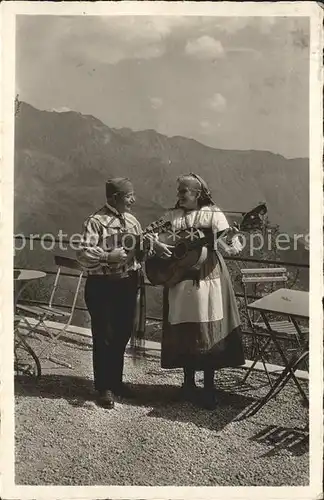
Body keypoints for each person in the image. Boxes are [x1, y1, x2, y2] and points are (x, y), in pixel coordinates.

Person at [153, 173, 245, 410]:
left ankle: (209, 389)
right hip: (180, 281)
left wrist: (232, 237)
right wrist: (157, 243)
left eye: (184, 191)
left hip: (207, 280)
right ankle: (188, 384)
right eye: (179, 191)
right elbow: (151, 234)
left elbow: (229, 247)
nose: (179, 196)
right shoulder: (172, 216)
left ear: (198, 194)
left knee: (207, 331)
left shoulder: (213, 214)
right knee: (185, 330)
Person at [76, 177, 165, 409]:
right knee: (104, 334)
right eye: (129, 196)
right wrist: (107, 257)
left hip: (128, 283)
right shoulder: (95, 221)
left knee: (123, 333)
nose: (133, 200)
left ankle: (116, 382)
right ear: (115, 198)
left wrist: (145, 246)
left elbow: (138, 255)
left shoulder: (133, 221)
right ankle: (103, 387)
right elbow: (83, 254)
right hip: (103, 285)